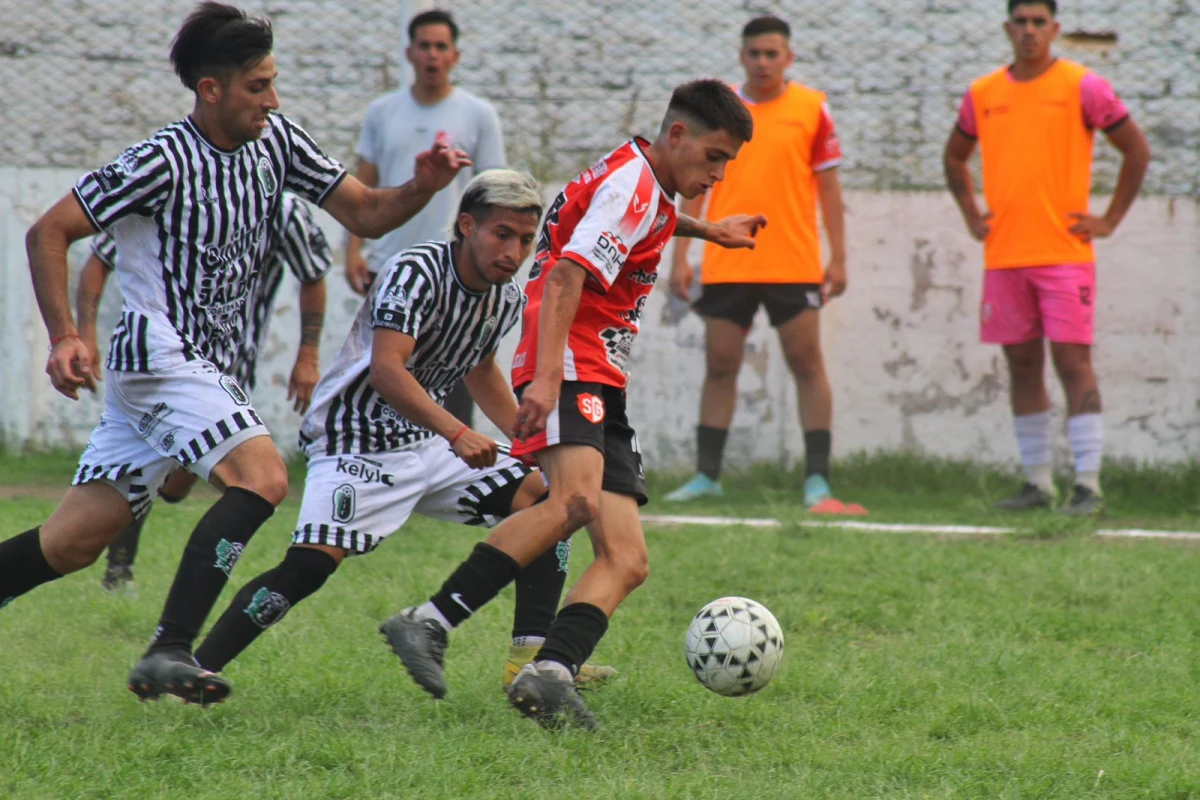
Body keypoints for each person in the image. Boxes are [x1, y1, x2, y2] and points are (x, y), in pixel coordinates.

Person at [0, 1, 469, 706]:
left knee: (75, 541)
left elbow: (367, 211)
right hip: (159, 354)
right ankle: (169, 648)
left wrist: (423, 186)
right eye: (258, 86)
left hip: (202, 370)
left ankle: (157, 642)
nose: (272, 100)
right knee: (262, 475)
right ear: (211, 89)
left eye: (274, 83)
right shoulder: (159, 159)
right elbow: (49, 231)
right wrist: (67, 334)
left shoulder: (275, 140)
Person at [379, 79, 766, 730]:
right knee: (571, 503)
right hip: (574, 358)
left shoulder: (642, 179)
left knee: (627, 558)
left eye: (726, 163)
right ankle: (428, 621)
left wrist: (712, 232)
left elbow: (645, 218)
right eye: (714, 157)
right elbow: (564, 276)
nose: (718, 172)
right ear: (678, 136)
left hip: (599, 374)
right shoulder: (635, 185)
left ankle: (551, 673)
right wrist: (549, 380)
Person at [189, 170, 613, 698]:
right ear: (466, 226)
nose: (514, 251)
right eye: (501, 234)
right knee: (308, 569)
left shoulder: (503, 298)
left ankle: (528, 658)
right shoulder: (416, 272)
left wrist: (529, 443)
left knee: (548, 498)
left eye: (526, 240)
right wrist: (458, 432)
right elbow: (389, 370)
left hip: (425, 441)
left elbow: (479, 369)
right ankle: (198, 668)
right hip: (354, 440)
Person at [943, 0, 1149, 516]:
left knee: (1072, 362)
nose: (1030, 31)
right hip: (1005, 256)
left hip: (1064, 254)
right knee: (1022, 364)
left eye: (1039, 22)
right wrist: (972, 212)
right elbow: (954, 156)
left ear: (1055, 29)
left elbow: (1137, 149)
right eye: (1021, 21)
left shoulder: (1083, 85)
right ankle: (1038, 484)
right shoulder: (983, 92)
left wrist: (1109, 219)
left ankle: (1088, 486)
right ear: (1007, 28)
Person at [76, 193, 335, 594]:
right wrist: (85, 336)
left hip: (230, 370)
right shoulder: (172, 190)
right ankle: (121, 570)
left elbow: (314, 275)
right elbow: (99, 259)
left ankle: (144, 569)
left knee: (177, 488)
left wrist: (308, 355)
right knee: (159, 465)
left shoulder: (283, 211)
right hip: (163, 365)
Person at [664, 15, 854, 512]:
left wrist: (839, 258)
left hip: (793, 261)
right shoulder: (720, 109)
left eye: (773, 54)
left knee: (807, 364)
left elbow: (830, 191)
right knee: (720, 365)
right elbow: (694, 182)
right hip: (727, 259)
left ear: (788, 58)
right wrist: (682, 257)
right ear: (742, 56)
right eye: (755, 53)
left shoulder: (813, 108)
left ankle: (818, 482)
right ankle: (707, 477)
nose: (763, 62)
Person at [344, 8, 506, 427]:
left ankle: (453, 465)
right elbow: (365, 183)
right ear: (409, 53)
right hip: (388, 267)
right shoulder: (382, 111)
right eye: (424, 46)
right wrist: (353, 251)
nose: (432, 55)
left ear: (455, 55)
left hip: (452, 272)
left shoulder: (478, 114)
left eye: (441, 47)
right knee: (384, 371)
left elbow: (492, 192)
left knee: (453, 372)